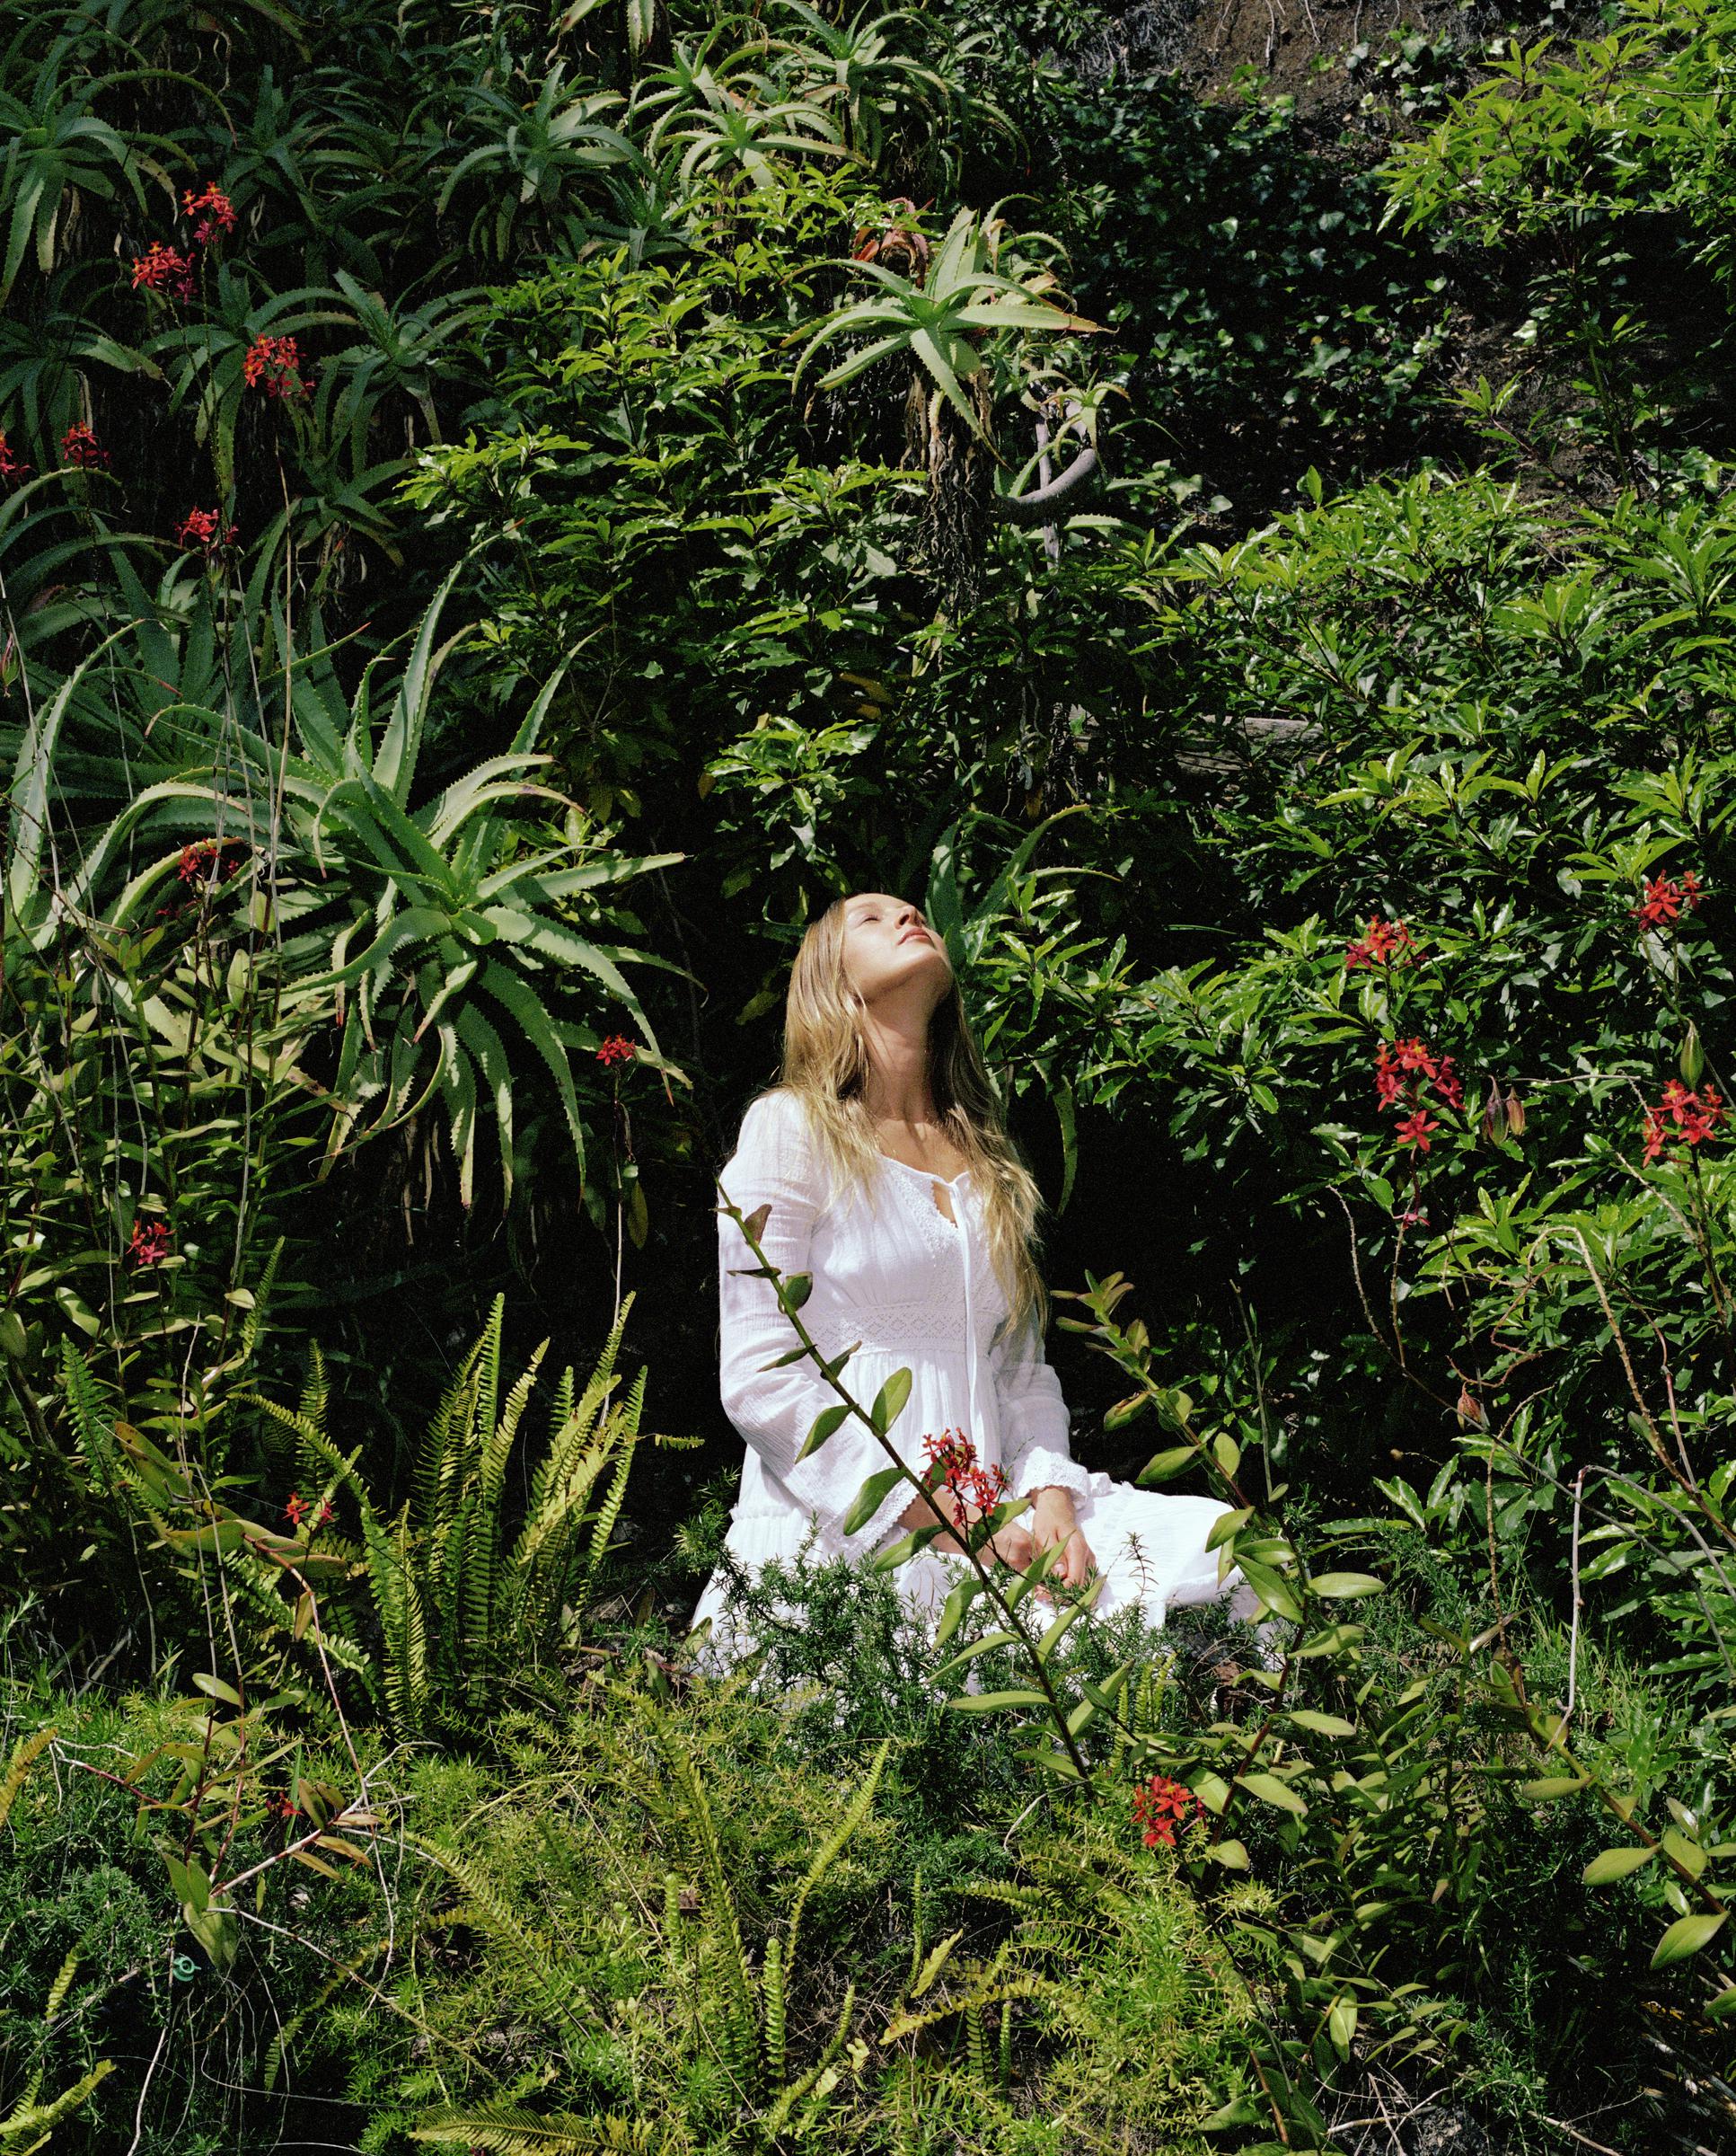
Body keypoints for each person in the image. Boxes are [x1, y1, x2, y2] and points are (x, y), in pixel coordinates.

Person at [688, 889, 1257, 1660]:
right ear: (831, 977)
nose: (905, 917)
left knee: (1224, 1552)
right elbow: (760, 1377)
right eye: (871, 917)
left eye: (913, 909)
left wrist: (1052, 1502)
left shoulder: (988, 1159)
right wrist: (945, 1515)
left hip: (1006, 1512)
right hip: (860, 1524)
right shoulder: (789, 1129)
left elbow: (1018, 1374)